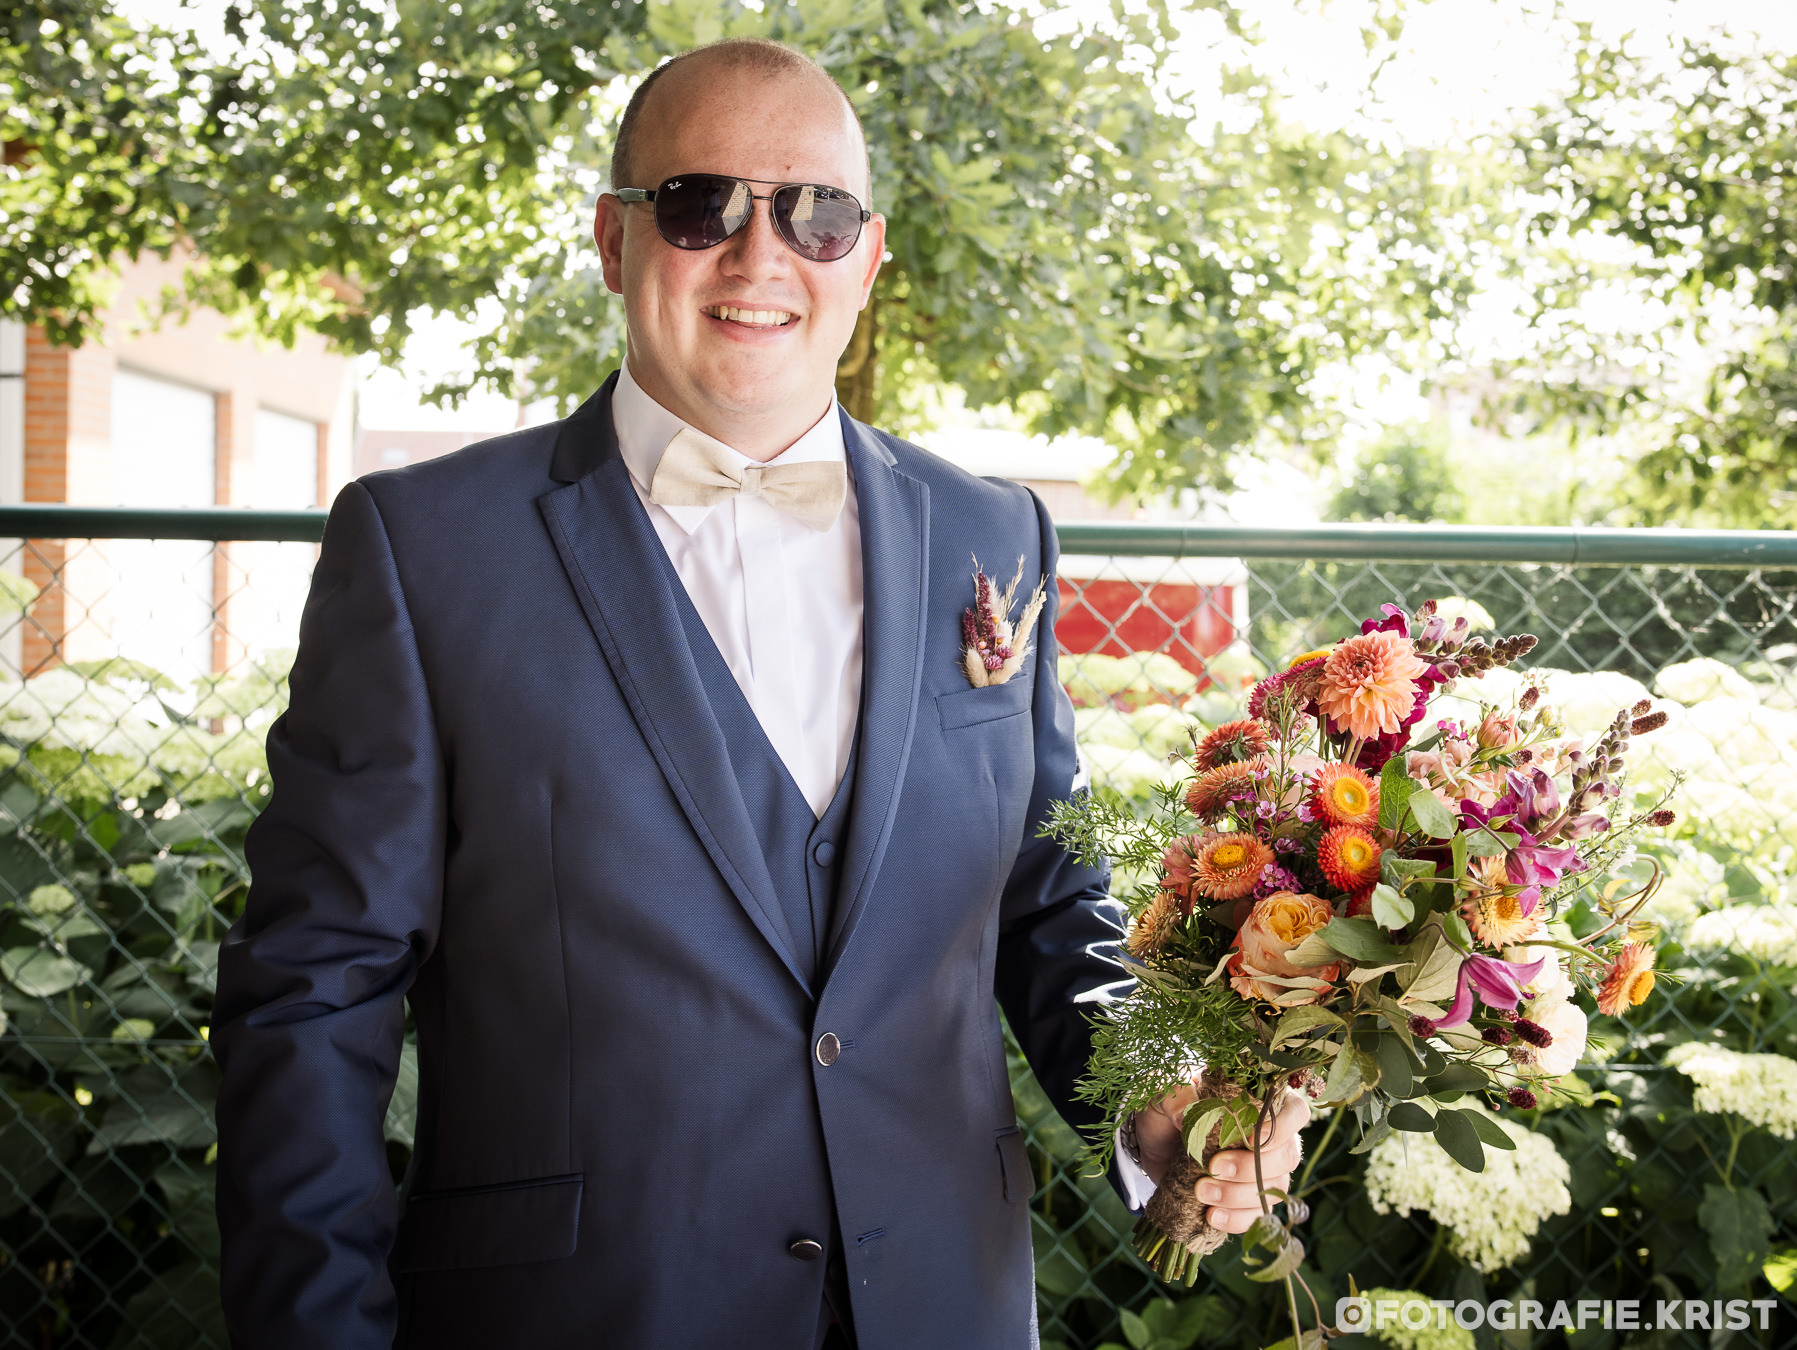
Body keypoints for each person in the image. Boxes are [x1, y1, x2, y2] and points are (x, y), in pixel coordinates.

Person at [212, 38, 1305, 1350]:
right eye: (699, 205)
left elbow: (1047, 898)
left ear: (871, 253)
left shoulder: (992, 533)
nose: (759, 255)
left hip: (943, 1306)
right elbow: (311, 995)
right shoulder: (423, 549)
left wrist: (1157, 1103)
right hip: (582, 1311)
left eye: (815, 213)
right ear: (614, 244)